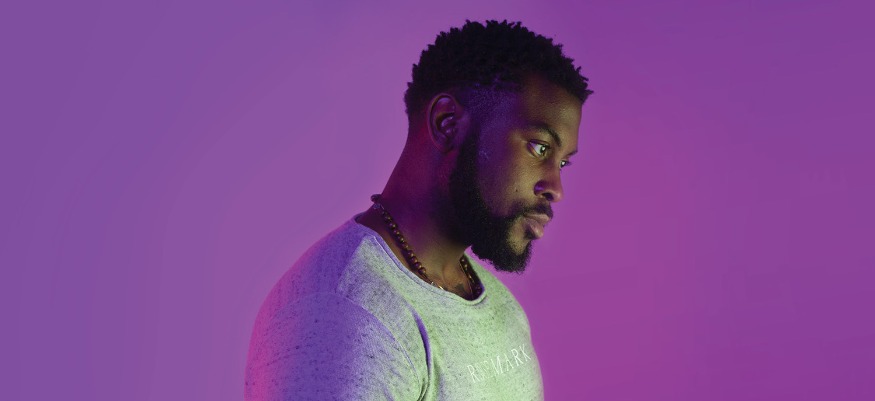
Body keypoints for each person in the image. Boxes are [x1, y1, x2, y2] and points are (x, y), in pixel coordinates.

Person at [245, 20, 593, 400]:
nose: (556, 188)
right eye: (540, 148)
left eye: (562, 162)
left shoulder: (499, 305)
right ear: (448, 124)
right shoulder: (345, 314)